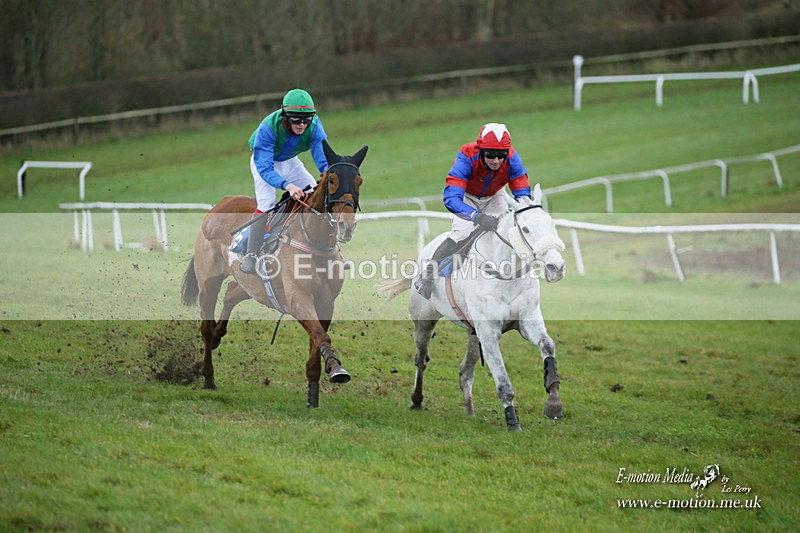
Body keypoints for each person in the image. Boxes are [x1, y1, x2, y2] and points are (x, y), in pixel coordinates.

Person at [414, 123, 533, 299]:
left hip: (495, 196)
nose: (496, 160)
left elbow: (522, 194)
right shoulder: (467, 155)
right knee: (462, 233)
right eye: (490, 154)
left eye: (501, 155)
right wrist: (476, 216)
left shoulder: (512, 158)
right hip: (466, 197)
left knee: (505, 233)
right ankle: (427, 275)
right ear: (481, 149)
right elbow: (451, 198)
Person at [240, 88, 329, 274]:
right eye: (296, 119)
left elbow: (322, 157)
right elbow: (264, 168)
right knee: (267, 202)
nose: (302, 124)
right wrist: (287, 186)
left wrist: (328, 174)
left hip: (289, 160)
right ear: (285, 115)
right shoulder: (268, 128)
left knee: (316, 191)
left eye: (306, 119)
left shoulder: (314, 125)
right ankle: (251, 254)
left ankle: (325, 250)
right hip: (264, 161)